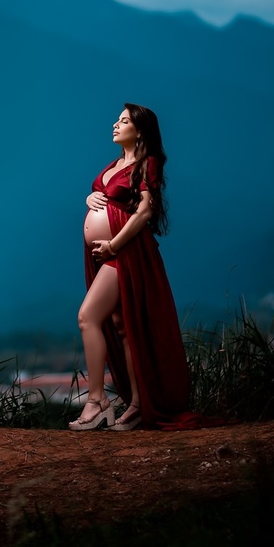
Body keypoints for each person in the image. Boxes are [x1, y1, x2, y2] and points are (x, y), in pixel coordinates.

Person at [69, 103, 191, 431]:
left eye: (124, 121)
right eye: (117, 119)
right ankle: (137, 405)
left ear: (139, 131)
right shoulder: (115, 164)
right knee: (123, 328)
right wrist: (90, 198)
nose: (115, 124)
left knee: (87, 317)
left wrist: (114, 245)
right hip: (107, 253)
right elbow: (106, 195)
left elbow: (145, 211)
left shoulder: (147, 163)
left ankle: (97, 401)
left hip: (124, 252)